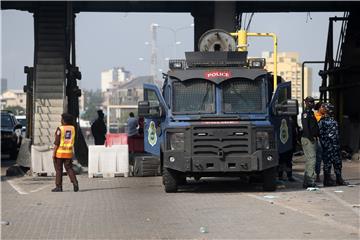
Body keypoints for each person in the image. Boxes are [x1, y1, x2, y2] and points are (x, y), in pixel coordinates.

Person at [318, 103, 347, 186]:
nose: (331, 111)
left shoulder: (334, 120)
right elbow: (320, 134)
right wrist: (325, 145)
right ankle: (327, 180)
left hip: (336, 146)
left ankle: (339, 179)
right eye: (329, 109)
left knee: (338, 163)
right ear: (326, 110)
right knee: (327, 164)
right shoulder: (322, 121)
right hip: (328, 146)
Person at [52, 113, 79, 192]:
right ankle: (75, 182)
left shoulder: (60, 129)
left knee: (59, 170)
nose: (61, 120)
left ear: (64, 121)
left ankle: (59, 187)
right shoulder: (73, 128)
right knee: (69, 168)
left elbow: (57, 142)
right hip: (69, 152)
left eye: (61, 119)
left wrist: (54, 154)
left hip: (59, 153)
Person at [301, 96, 319, 188]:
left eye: (313, 102)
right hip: (308, 139)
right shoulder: (306, 113)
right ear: (306, 103)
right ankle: (311, 181)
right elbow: (305, 127)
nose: (312, 103)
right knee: (312, 160)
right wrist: (310, 138)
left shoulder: (311, 113)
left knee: (309, 160)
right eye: (310, 102)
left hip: (311, 138)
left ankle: (306, 181)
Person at [278, 116, 299, 182]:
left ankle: (289, 176)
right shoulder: (280, 120)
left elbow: (294, 133)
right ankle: (280, 176)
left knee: (288, 161)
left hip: (290, 144)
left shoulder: (291, 121)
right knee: (281, 161)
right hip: (282, 144)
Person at [314, 101, 323, 182]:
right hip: (318, 139)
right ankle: (317, 174)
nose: (324, 108)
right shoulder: (315, 116)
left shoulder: (326, 116)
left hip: (325, 139)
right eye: (322, 107)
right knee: (318, 157)